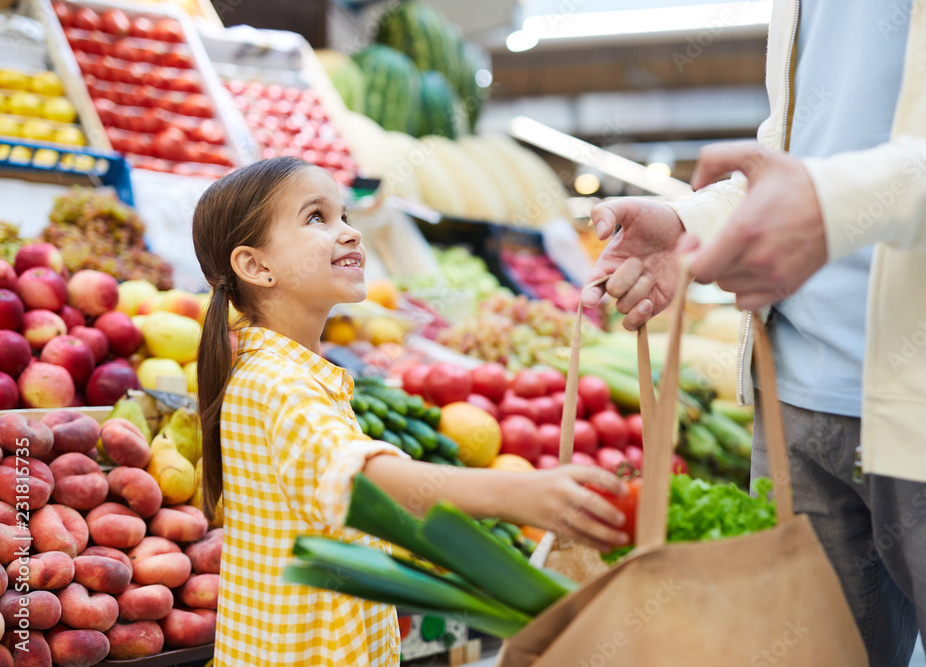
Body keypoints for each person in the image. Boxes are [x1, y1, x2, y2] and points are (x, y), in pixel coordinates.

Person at [582, 1, 926, 665]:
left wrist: (837, 204)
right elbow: (805, 144)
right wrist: (694, 221)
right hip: (794, 402)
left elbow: (832, 183)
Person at [192, 157, 630, 666]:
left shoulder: (283, 371)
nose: (350, 234)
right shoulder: (278, 383)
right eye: (317, 218)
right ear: (255, 266)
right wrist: (522, 495)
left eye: (345, 217)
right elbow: (362, 481)